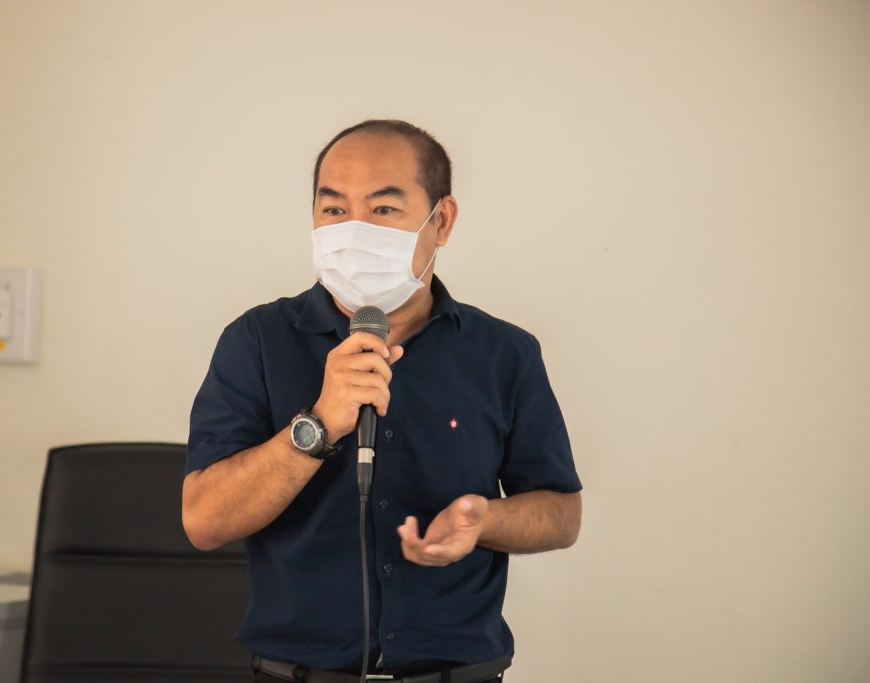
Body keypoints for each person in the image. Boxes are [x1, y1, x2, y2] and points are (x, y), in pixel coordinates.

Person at [182, 119, 582, 683]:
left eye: (384, 209)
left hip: (459, 672)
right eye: (334, 209)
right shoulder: (257, 341)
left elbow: (561, 515)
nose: (353, 231)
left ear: (441, 221)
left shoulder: (504, 353)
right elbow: (204, 521)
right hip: (296, 673)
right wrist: (319, 424)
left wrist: (486, 520)